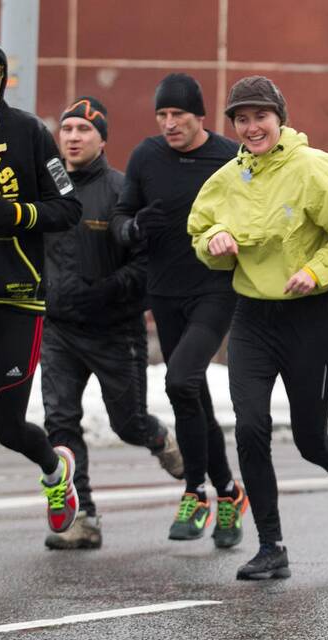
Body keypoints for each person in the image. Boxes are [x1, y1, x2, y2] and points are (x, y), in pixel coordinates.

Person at [190, 76, 328, 580]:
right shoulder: (228, 178)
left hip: (308, 316)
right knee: (251, 429)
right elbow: (201, 226)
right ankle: (271, 545)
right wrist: (214, 239)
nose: (251, 128)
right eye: (242, 119)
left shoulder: (315, 170)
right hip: (252, 316)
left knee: (309, 438)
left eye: (260, 117)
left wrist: (317, 271)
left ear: (280, 118)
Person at [41, 96, 186, 550]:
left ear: (102, 140)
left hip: (114, 330)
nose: (73, 137)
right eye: (67, 130)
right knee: (60, 423)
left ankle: (161, 439)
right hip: (58, 329)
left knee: (128, 424)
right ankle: (82, 517)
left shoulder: (123, 192)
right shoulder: (44, 189)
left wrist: (105, 290)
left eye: (84, 130)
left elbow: (146, 268)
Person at [112, 73, 244, 544]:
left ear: (199, 116)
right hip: (164, 291)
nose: (169, 124)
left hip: (214, 288)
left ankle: (195, 492)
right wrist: (131, 228)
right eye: (162, 115)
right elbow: (121, 216)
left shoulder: (229, 156)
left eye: (178, 116)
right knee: (193, 396)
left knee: (181, 381)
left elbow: (257, 208)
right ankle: (228, 492)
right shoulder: (146, 156)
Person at [0, 32, 83, 534]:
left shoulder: (28, 132)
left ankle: (54, 470)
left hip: (15, 298)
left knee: (8, 426)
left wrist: (17, 213)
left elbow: (69, 207)